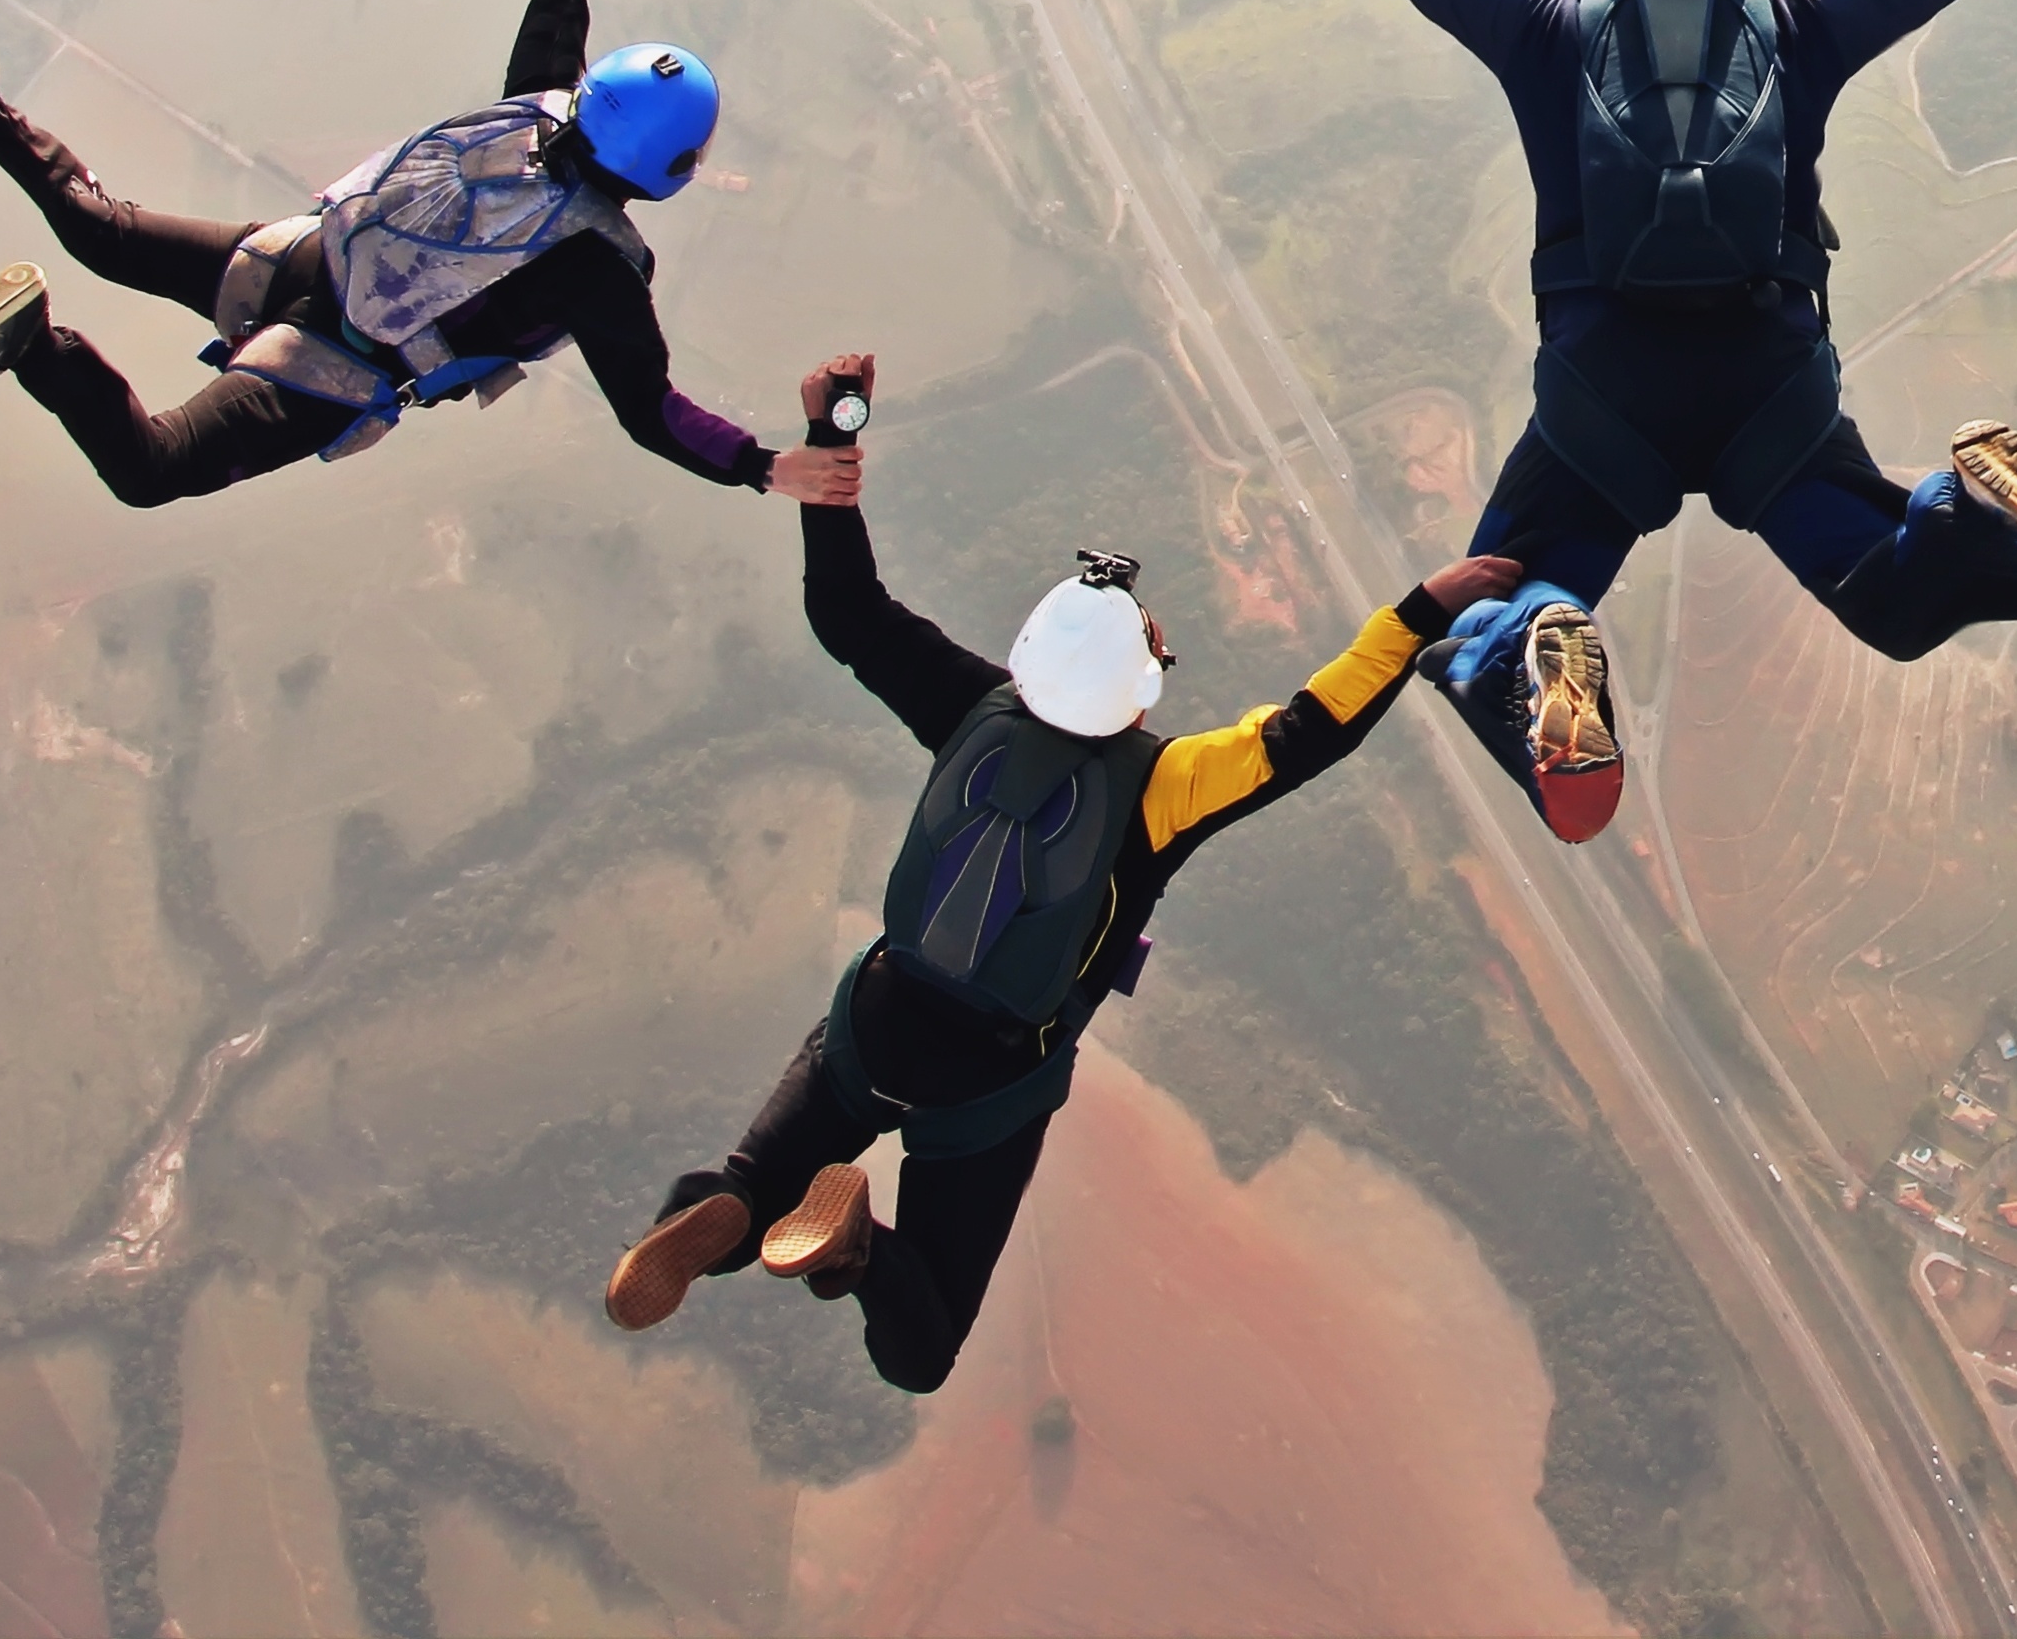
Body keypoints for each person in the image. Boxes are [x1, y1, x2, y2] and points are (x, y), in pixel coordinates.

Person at [606, 364, 1517, 1391]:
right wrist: (1417, 613)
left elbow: (846, 608)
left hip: (878, 1017)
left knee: (748, 1184)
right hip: (990, 1078)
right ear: (1137, 687)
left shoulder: (965, 704)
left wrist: (835, 427)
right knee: (921, 1349)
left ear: (1033, 652)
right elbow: (1310, 731)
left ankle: (713, 1210)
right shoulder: (1165, 784)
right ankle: (857, 1255)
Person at [1333, 0, 2017, 841]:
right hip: (1769, 377)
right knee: (1890, 601)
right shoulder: (1797, 16)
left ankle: (1544, 638)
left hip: (1604, 388)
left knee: (1504, 590)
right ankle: (1970, 508)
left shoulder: (1544, 19)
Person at [0, 0, 796, 501]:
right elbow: (653, 412)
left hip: (300, 250)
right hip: (337, 362)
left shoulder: (537, 102)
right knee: (153, 465)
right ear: (670, 168)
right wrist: (763, 466)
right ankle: (33, 344)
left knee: (102, 228)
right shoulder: (603, 270)